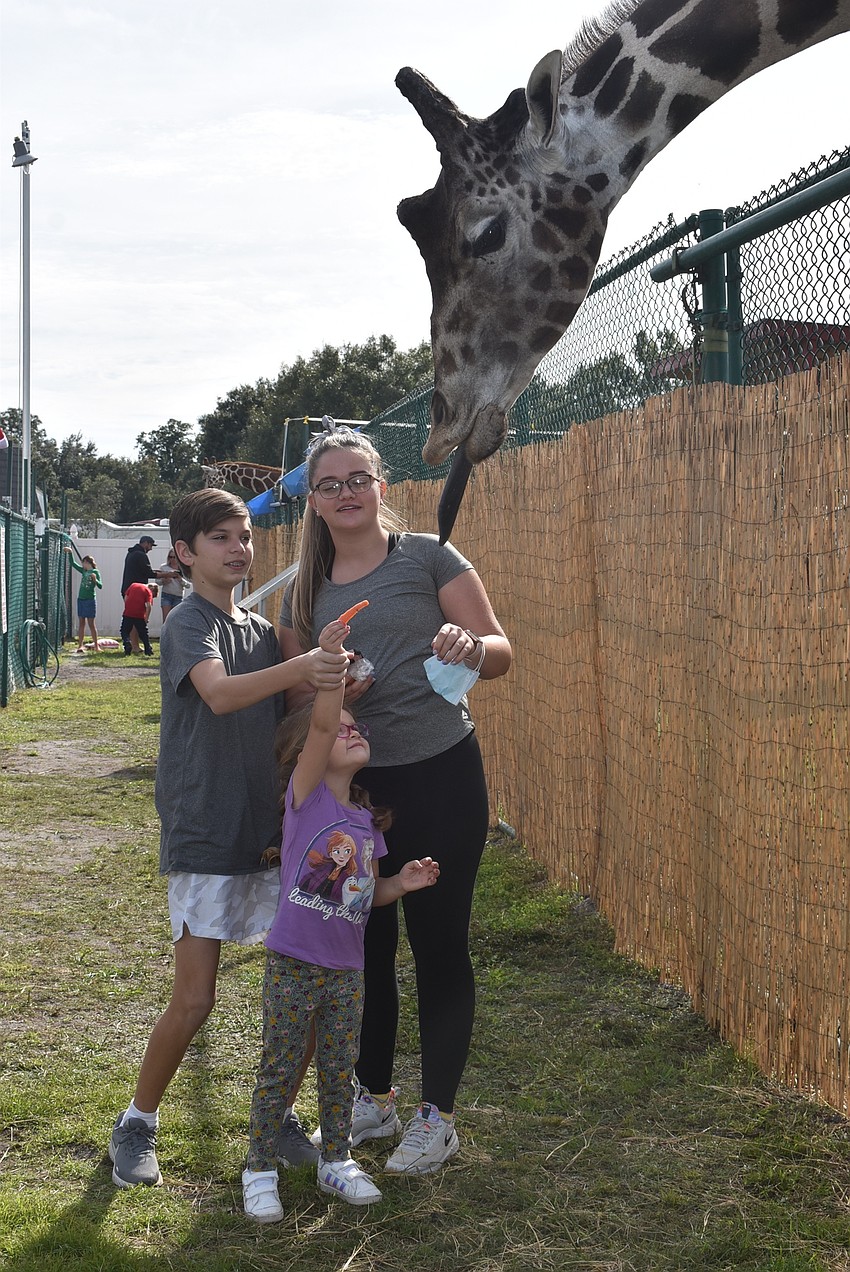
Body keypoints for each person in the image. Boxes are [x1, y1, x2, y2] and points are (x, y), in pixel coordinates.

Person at [279, 426, 512, 1175]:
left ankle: (435, 1115)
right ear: (312, 501)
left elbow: (501, 648)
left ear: (383, 486)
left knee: (439, 945)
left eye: (358, 479)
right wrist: (333, 688)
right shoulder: (304, 591)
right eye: (329, 484)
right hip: (359, 797)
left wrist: (471, 649)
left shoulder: (427, 557)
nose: (345, 493)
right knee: (362, 948)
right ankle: (372, 1095)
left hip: (443, 773)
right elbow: (295, 697)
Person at [108, 487, 349, 1190]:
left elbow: (296, 718)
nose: (239, 548)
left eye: (244, 535)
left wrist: (337, 679)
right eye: (220, 537)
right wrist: (303, 667)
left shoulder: (266, 631)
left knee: (304, 995)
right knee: (196, 1000)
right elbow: (218, 694)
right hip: (207, 830)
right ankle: (137, 1123)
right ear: (184, 554)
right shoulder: (190, 623)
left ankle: (278, 1118)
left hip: (273, 836)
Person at [242, 615, 440, 1219]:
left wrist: (397, 885)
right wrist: (331, 672)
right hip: (296, 962)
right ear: (309, 752)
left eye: (358, 728)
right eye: (342, 731)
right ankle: (258, 1169)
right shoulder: (308, 801)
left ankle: (336, 1161)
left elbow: (363, 893)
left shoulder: (361, 818)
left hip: (346, 970)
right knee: (279, 1063)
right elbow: (324, 719)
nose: (354, 732)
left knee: (339, 1067)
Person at [64, 547, 102, 653]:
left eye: (83, 563)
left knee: (91, 624)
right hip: (81, 600)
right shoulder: (84, 571)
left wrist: (95, 580)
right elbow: (73, 564)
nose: (82, 565)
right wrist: (70, 553)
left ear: (87, 562)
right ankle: (80, 645)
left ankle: (96, 645)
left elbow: (100, 586)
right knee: (81, 623)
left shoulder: (95, 572)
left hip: (90, 601)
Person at [121, 581, 156, 656]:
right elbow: (148, 606)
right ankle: (148, 649)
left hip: (128, 613)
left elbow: (126, 597)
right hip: (139, 614)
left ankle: (127, 643)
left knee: (124, 631)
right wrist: (146, 618)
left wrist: (128, 607)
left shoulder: (133, 585)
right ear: (153, 591)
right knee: (143, 633)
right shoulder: (148, 591)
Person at [156, 547, 190, 621]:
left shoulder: (182, 568)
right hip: (166, 595)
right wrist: (164, 580)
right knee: (166, 619)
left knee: (176, 620)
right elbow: (157, 581)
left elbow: (188, 585)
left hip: (178, 596)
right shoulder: (164, 567)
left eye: (174, 557)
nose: (172, 559)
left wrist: (180, 579)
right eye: (170, 557)